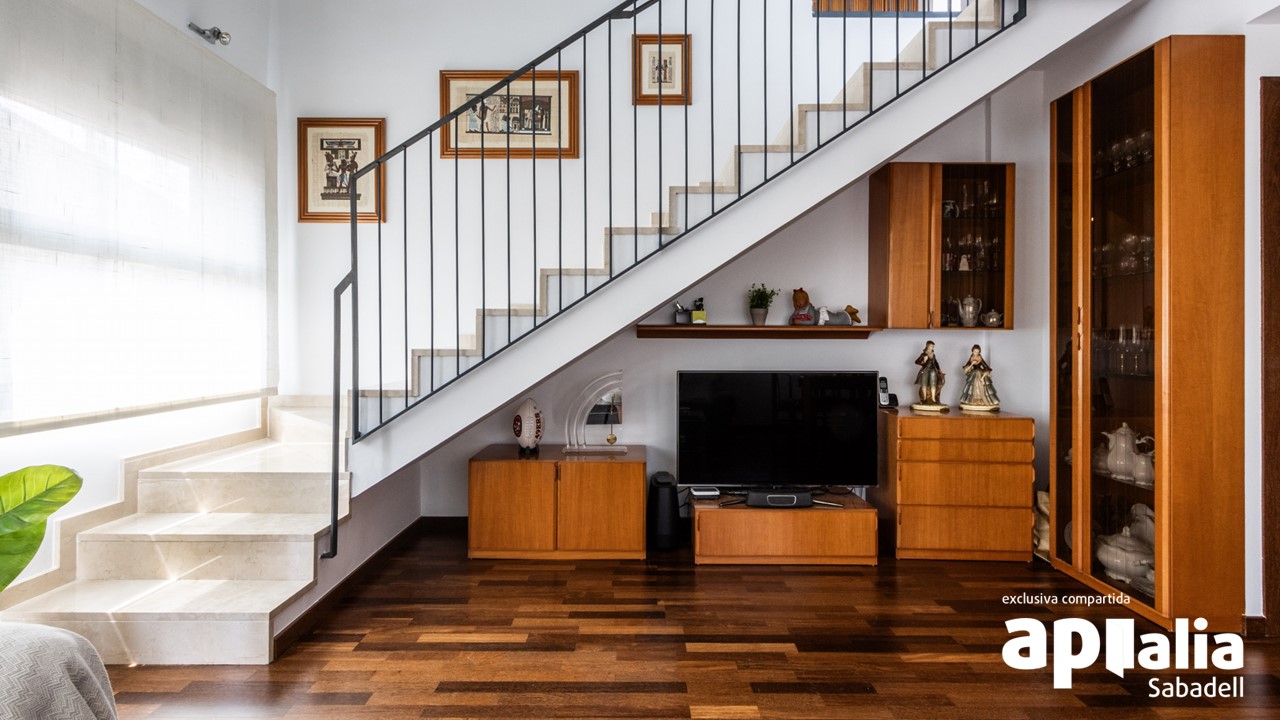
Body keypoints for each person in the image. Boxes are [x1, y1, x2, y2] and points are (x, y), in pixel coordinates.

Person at [960, 344, 1000, 410]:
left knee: (981, 382)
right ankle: (973, 400)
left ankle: (983, 399)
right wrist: (972, 364)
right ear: (972, 351)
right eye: (975, 352)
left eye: (977, 352)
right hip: (973, 373)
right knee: (973, 386)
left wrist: (986, 371)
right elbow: (967, 367)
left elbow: (985, 366)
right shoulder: (971, 357)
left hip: (979, 372)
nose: (976, 353)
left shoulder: (980, 358)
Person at [913, 341, 945, 408]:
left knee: (933, 384)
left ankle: (933, 399)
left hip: (933, 370)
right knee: (924, 384)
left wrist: (939, 370)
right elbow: (916, 362)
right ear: (927, 346)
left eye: (933, 346)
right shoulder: (923, 354)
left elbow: (936, 363)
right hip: (925, 370)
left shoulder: (933, 354)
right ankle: (924, 399)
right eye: (931, 346)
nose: (932, 347)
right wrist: (924, 361)